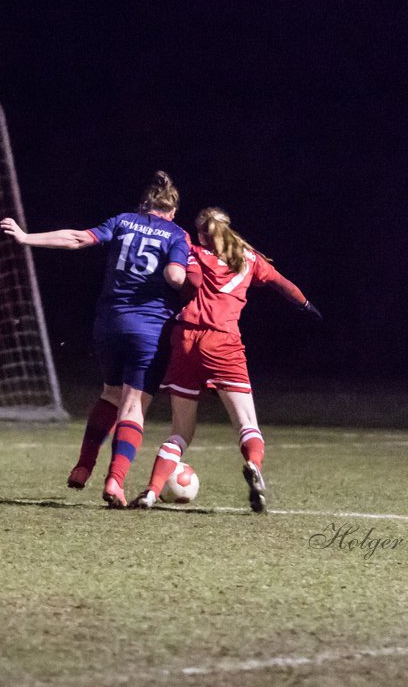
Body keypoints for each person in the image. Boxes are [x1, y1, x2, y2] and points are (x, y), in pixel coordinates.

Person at [0, 171, 188, 508]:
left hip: (109, 324)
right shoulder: (177, 234)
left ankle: (84, 465)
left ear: (143, 205)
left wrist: (26, 237)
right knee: (133, 405)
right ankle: (115, 481)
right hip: (148, 328)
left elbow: (76, 239)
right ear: (172, 212)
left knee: (110, 393)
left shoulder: (123, 221)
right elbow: (175, 276)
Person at [130, 206, 321, 513]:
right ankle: (253, 466)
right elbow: (282, 283)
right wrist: (306, 305)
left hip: (186, 339)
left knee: (180, 431)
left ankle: (152, 491)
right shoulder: (249, 258)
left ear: (203, 233)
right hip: (223, 343)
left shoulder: (192, 253)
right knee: (246, 424)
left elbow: (183, 278)